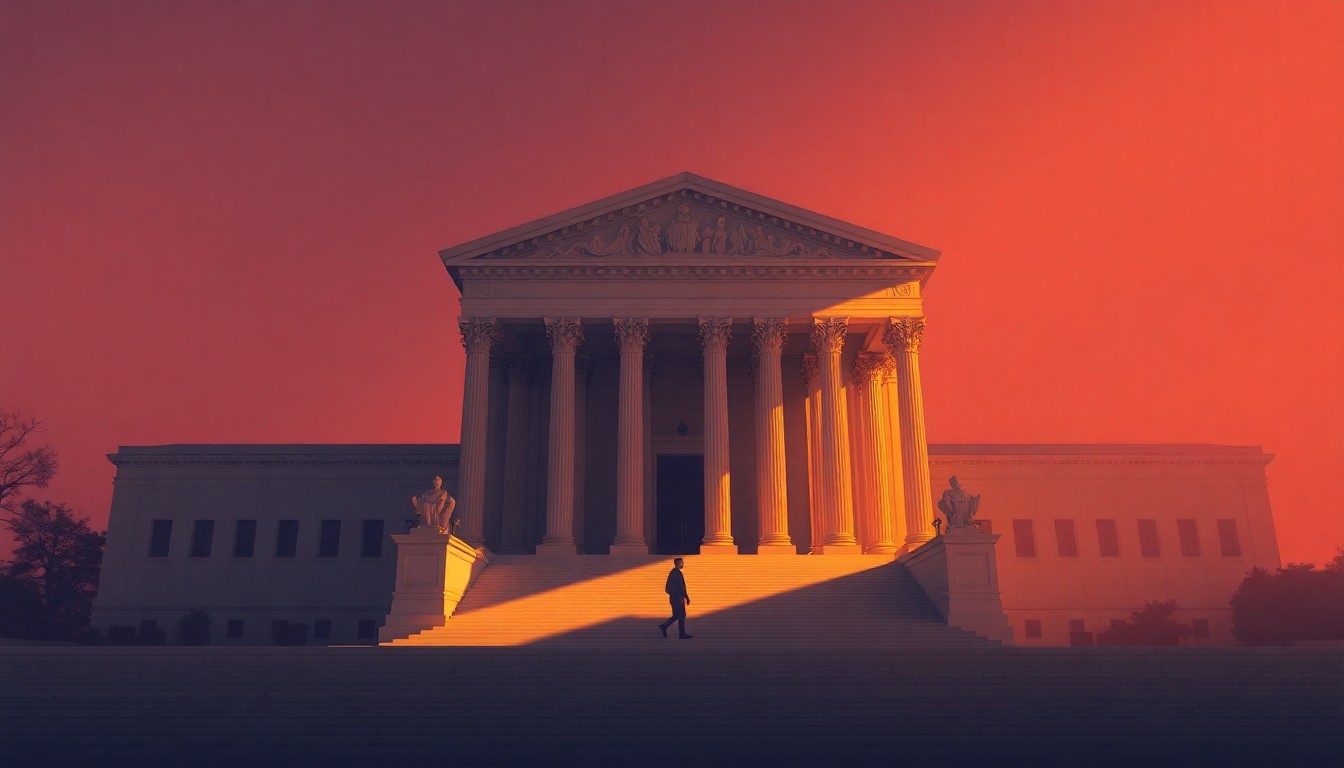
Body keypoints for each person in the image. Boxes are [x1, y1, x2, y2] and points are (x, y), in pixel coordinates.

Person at [658, 557, 693, 639]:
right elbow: (681, 587)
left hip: (674, 598)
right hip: (678, 599)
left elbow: (667, 589)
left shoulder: (672, 573)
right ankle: (682, 634)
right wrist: (686, 597)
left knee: (676, 615)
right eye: (682, 562)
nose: (683, 564)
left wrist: (673, 595)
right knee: (682, 615)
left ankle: (664, 626)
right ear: (678, 563)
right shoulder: (677, 573)